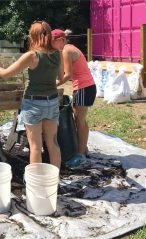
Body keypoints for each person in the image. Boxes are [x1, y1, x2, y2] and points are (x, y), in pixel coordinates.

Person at [0, 21, 64, 169]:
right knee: (53, 142)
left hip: (34, 104)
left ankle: (36, 183)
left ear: (33, 36)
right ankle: (54, 181)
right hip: (52, 102)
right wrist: (45, 79)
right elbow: (60, 78)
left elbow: (5, 73)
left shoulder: (32, 56)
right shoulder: (57, 54)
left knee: (35, 146)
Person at [51, 29, 96, 167]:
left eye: (53, 42)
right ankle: (82, 147)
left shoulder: (66, 51)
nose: (52, 45)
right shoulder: (68, 49)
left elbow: (67, 75)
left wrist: (52, 85)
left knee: (79, 121)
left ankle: (80, 155)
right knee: (80, 120)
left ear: (62, 40)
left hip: (84, 87)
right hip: (84, 87)